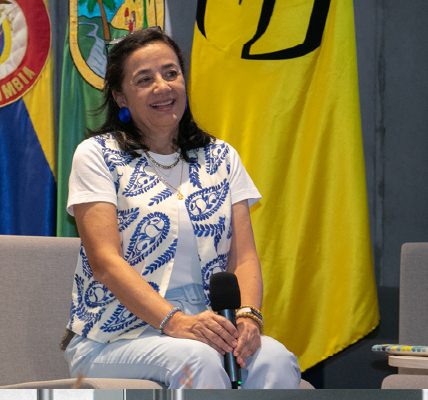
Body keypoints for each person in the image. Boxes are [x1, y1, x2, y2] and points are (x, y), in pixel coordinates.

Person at [62, 27, 301, 389]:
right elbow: (105, 263)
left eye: (171, 73)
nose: (163, 86)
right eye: (144, 79)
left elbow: (245, 259)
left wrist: (249, 317)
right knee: (199, 360)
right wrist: (174, 321)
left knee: (276, 359)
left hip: (207, 326)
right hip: (113, 337)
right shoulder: (97, 156)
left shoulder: (221, 157)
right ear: (120, 97)